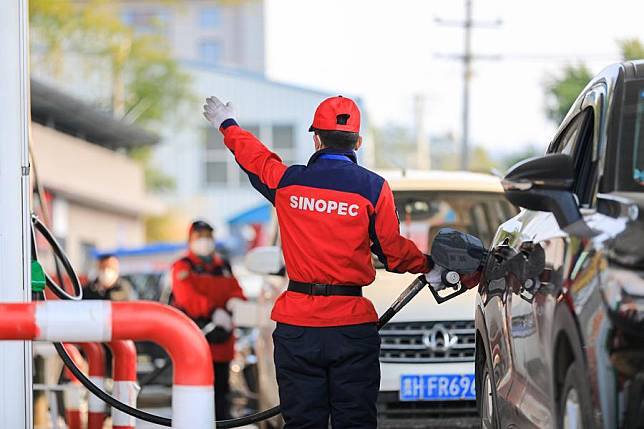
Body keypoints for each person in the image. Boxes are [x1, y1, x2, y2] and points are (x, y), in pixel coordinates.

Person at [202, 95, 463, 428]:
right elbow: (394, 253)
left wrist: (227, 124)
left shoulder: (288, 182)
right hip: (350, 328)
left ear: (316, 139)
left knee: (302, 423)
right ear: (358, 142)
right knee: (354, 421)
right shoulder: (374, 188)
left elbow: (255, 159)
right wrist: (429, 265)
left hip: (298, 327)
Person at [170, 220, 246, 420]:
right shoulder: (183, 266)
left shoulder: (224, 266)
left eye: (208, 236)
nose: (204, 241)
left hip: (222, 343)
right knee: (195, 395)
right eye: (199, 236)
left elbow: (236, 289)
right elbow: (186, 297)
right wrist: (213, 311)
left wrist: (235, 301)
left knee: (221, 394)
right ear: (191, 240)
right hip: (196, 341)